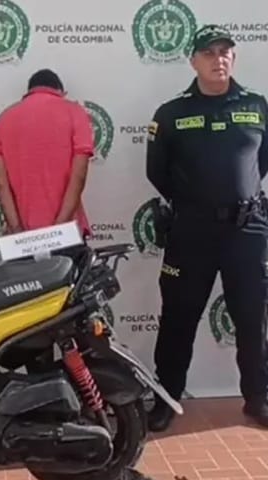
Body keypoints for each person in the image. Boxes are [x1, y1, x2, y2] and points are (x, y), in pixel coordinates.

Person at [145, 25, 268, 431]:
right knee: (178, 318)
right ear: (193, 61)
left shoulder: (256, 105)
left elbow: (261, 163)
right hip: (191, 231)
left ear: (234, 57)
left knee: (252, 318)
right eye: (209, 53)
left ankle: (258, 398)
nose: (219, 59)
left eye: (225, 52)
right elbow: (156, 172)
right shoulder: (171, 113)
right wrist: (199, 203)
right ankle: (166, 399)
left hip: (246, 230)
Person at [0, 69, 95, 237]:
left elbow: (0, 183)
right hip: (66, 231)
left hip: (22, 233)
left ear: (29, 91)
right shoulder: (75, 112)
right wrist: (59, 229)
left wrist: (16, 229)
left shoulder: (5, 118)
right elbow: (79, 175)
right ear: (60, 91)